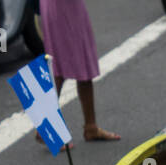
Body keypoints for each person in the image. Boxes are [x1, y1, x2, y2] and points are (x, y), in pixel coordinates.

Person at [38, 0, 118, 145]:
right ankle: (45, 128)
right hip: (62, 8)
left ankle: (91, 127)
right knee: (59, 66)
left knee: (81, 61)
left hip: (67, 6)